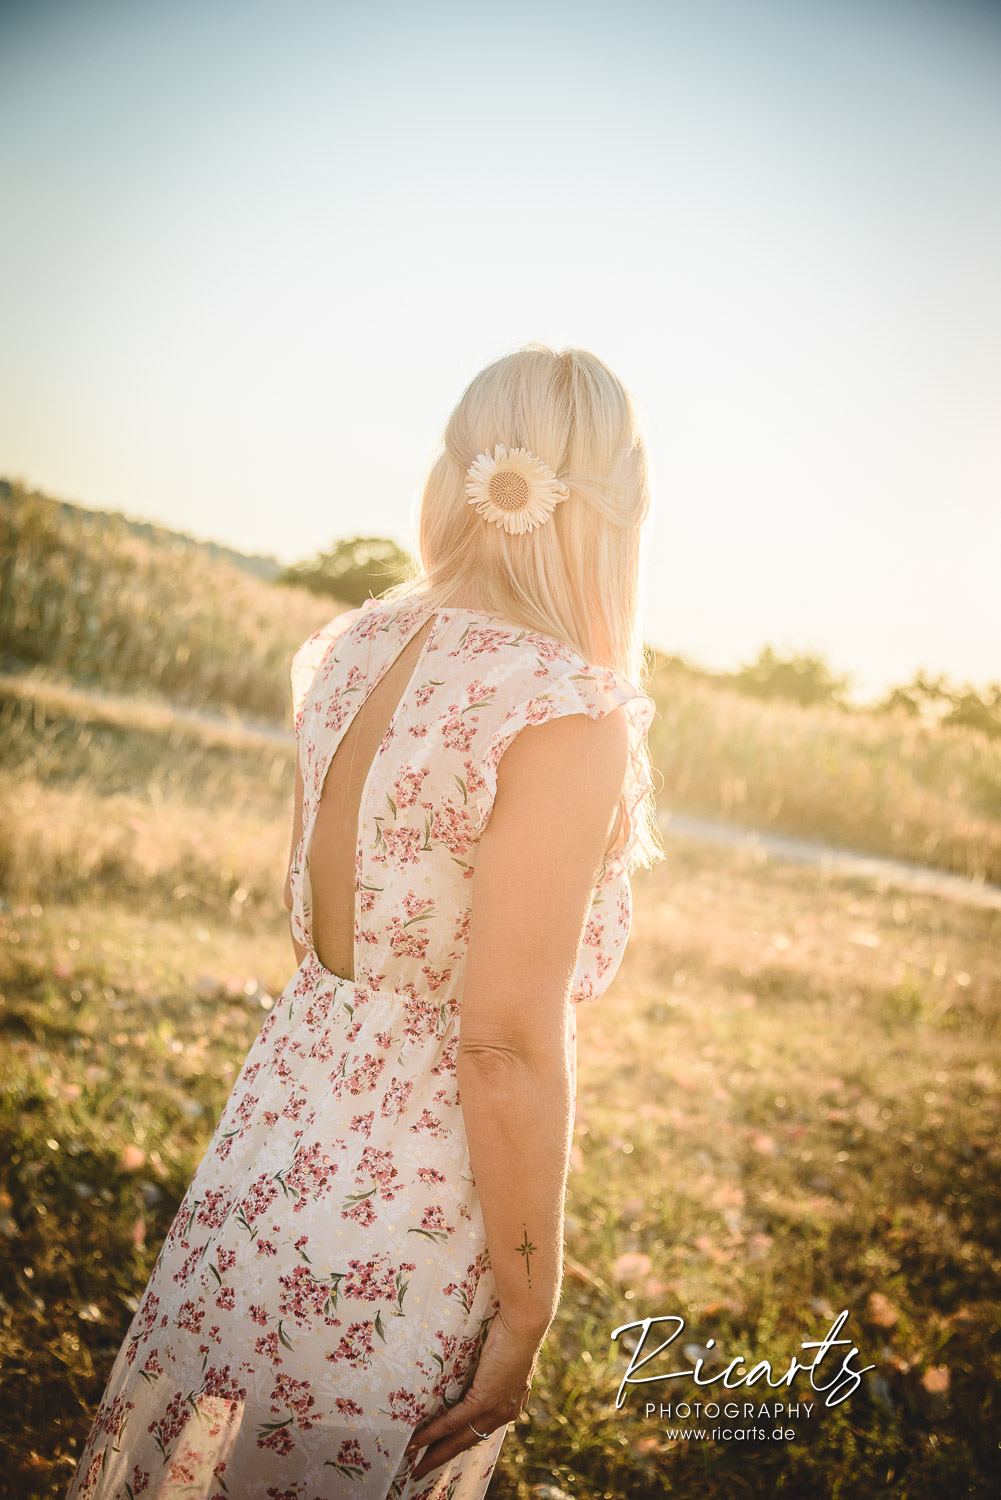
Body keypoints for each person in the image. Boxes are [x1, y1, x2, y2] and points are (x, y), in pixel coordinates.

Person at [65, 344, 662, 1500]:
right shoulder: (562, 709)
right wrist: (530, 1302)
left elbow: (317, 937)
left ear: (462, 477)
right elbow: (498, 1043)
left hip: (271, 1144)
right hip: (413, 1202)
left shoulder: (350, 651)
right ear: (613, 509)